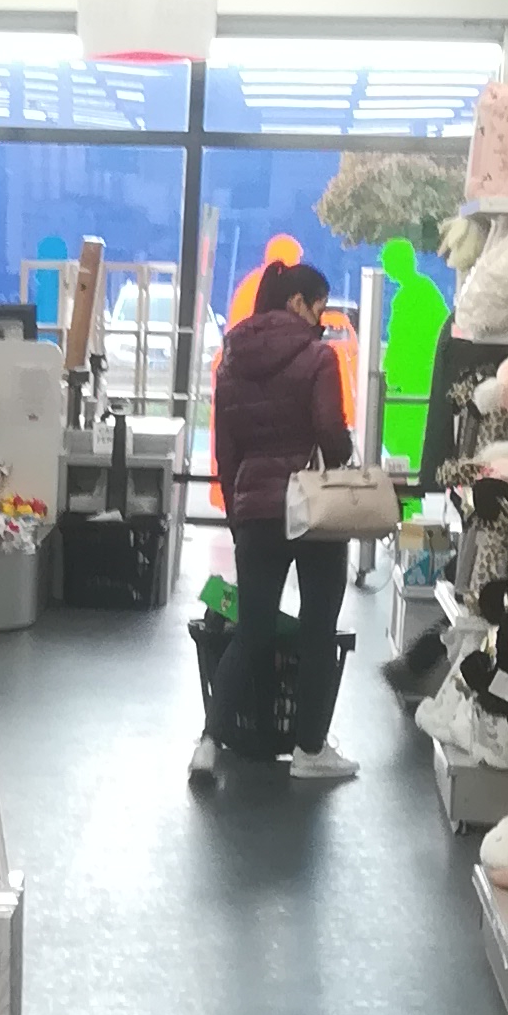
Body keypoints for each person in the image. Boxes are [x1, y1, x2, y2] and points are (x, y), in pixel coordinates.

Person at [198, 262, 357, 787]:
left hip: (255, 508)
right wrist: (344, 456)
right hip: (311, 508)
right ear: (296, 303)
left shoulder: (231, 361)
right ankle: (310, 749)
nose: (322, 318)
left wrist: (237, 511)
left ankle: (209, 742)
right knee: (317, 628)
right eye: (319, 306)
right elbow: (330, 431)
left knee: (252, 630)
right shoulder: (319, 358)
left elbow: (226, 449)